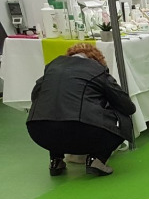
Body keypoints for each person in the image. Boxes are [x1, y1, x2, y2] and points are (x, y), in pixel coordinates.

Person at [26, 43, 135, 177]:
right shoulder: (97, 69)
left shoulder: (51, 67)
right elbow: (127, 106)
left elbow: (34, 96)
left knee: (52, 113)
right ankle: (97, 159)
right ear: (97, 59)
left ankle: (55, 160)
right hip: (80, 131)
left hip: (38, 131)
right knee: (123, 119)